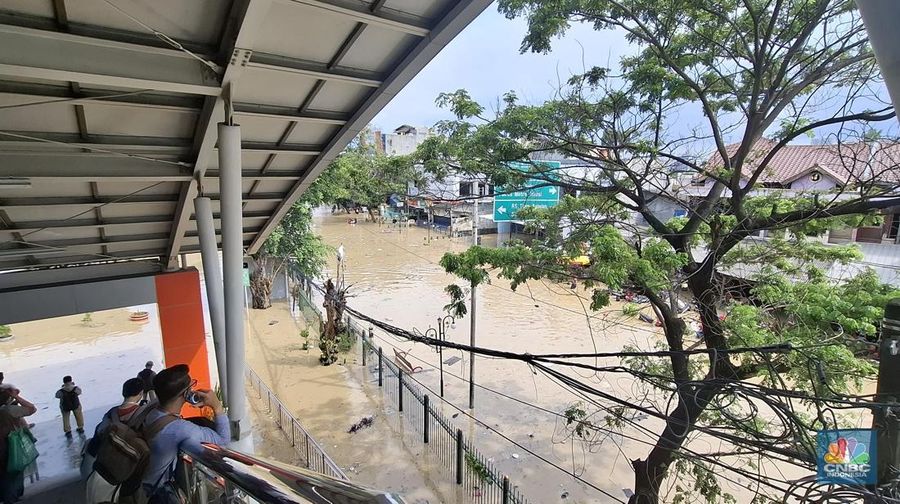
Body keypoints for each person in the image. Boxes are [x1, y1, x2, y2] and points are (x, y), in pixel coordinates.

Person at [141, 364, 228, 499]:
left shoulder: (150, 411)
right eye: (191, 387)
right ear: (186, 394)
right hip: (155, 495)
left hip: (140, 485)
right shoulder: (180, 429)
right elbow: (223, 442)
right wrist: (216, 406)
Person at [84, 378, 147, 503]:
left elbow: (97, 438)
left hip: (106, 467)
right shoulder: (142, 414)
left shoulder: (110, 414)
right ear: (140, 394)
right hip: (130, 469)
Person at [0, 389, 37, 504]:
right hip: (9, 444)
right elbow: (31, 408)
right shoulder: (9, 410)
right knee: (14, 470)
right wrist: (17, 397)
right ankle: (11, 498)